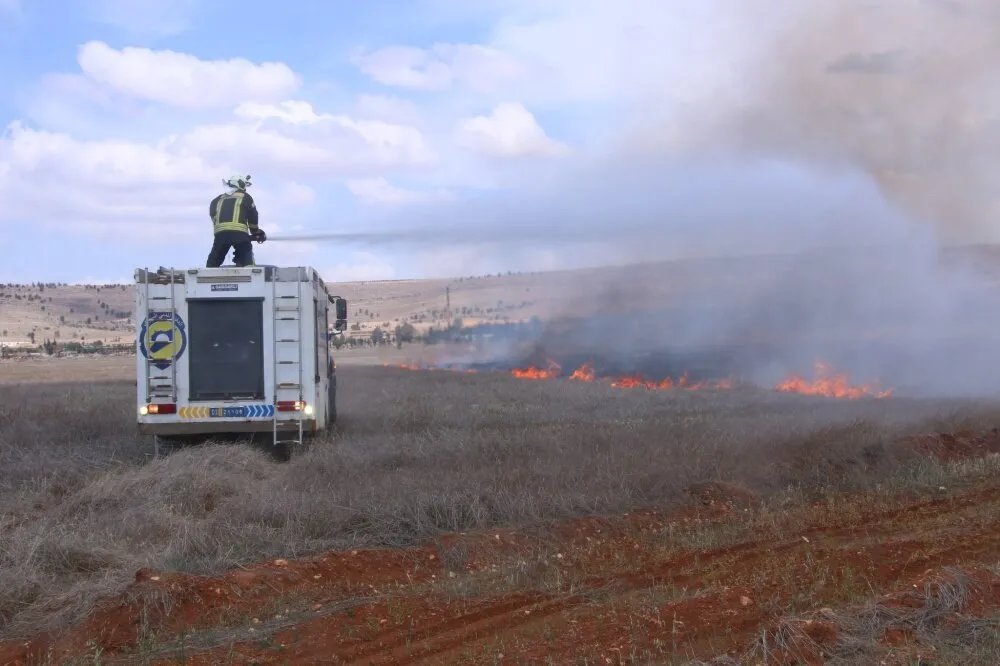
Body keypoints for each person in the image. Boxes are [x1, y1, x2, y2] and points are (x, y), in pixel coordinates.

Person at [206, 174, 267, 267]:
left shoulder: (216, 200)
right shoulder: (245, 197)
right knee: (248, 264)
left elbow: (213, 216)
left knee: (212, 264)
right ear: (240, 185)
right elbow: (253, 217)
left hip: (220, 236)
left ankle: (206, 276)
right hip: (240, 236)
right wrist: (256, 232)